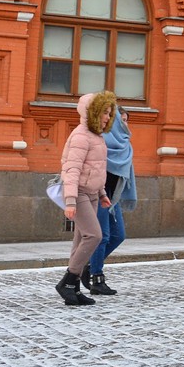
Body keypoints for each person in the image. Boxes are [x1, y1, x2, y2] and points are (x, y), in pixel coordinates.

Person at [55, 91, 116, 306]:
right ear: (93, 112)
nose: (108, 117)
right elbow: (72, 169)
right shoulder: (81, 135)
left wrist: (102, 194)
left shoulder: (96, 136)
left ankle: (74, 288)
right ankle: (68, 281)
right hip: (78, 193)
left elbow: (96, 170)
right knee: (94, 236)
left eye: (110, 113)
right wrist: (70, 201)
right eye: (104, 113)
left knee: (81, 239)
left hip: (91, 193)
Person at [87, 107, 137, 295]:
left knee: (118, 235)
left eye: (126, 120)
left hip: (112, 195)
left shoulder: (125, 144)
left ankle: (89, 266)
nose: (125, 124)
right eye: (122, 120)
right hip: (97, 192)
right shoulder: (102, 141)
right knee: (102, 236)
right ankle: (96, 278)